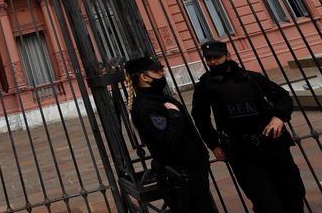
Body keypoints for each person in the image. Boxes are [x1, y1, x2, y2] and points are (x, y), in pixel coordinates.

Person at [191, 40, 305, 213]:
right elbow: (201, 119)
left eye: (217, 57)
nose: (213, 62)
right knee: (266, 203)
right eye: (209, 58)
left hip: (273, 145)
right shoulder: (204, 87)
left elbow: (282, 97)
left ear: (228, 56)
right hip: (242, 152)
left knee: (293, 194)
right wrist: (214, 144)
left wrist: (279, 118)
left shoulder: (252, 78)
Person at [124, 55, 216, 212]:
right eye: (156, 70)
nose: (162, 73)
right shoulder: (147, 107)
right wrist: (174, 116)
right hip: (182, 175)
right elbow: (168, 142)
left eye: (161, 68)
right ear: (144, 77)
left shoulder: (157, 99)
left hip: (191, 172)